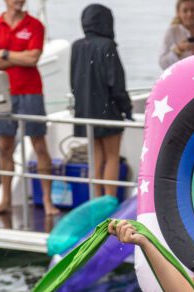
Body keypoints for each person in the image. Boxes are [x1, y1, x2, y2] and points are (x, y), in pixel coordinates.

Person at [0, 0, 59, 230]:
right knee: (4, 146)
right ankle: (5, 199)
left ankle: (47, 199)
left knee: (39, 144)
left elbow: (32, 58)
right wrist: (18, 56)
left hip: (31, 92)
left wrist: (4, 54)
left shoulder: (35, 25)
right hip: (4, 93)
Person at [70, 4, 132, 199]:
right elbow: (117, 83)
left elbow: (73, 81)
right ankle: (110, 201)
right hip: (108, 110)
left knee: (96, 157)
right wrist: (126, 109)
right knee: (112, 156)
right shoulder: (107, 46)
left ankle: (96, 201)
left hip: (86, 110)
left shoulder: (77, 46)